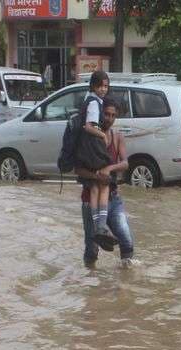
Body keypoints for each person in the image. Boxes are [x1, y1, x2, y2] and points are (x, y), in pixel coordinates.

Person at [75, 97, 136, 267]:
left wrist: (109, 169)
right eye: (106, 114)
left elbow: (125, 163)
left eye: (113, 115)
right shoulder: (88, 137)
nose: (109, 118)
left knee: (126, 240)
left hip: (113, 198)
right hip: (90, 199)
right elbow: (77, 169)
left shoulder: (117, 137)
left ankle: (125, 282)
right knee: (92, 249)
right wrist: (96, 176)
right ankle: (91, 282)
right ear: (100, 114)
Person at [75, 70, 117, 249]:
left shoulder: (88, 100)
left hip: (85, 149)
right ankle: (100, 225)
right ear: (93, 86)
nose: (103, 89)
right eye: (100, 86)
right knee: (104, 184)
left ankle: (97, 226)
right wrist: (103, 136)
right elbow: (88, 127)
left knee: (94, 187)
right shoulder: (93, 104)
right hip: (93, 147)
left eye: (106, 86)